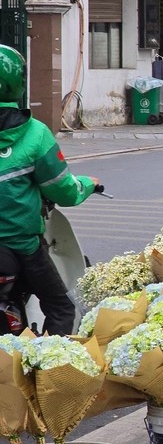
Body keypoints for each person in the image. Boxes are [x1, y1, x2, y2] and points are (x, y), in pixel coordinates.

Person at [0, 44, 99, 335]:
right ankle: (50, 373)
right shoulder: (34, 134)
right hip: (21, 246)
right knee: (61, 308)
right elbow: (65, 192)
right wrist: (89, 184)